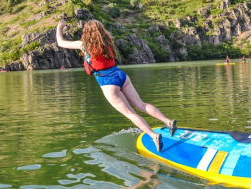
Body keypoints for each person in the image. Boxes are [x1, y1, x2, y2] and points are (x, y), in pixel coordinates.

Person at [56, 19, 176, 152]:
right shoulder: (108, 43)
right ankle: (167, 121)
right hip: (121, 76)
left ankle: (154, 136)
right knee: (141, 105)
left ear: (86, 33)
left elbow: (61, 43)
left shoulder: (84, 45)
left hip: (107, 82)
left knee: (130, 113)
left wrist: (59, 28)